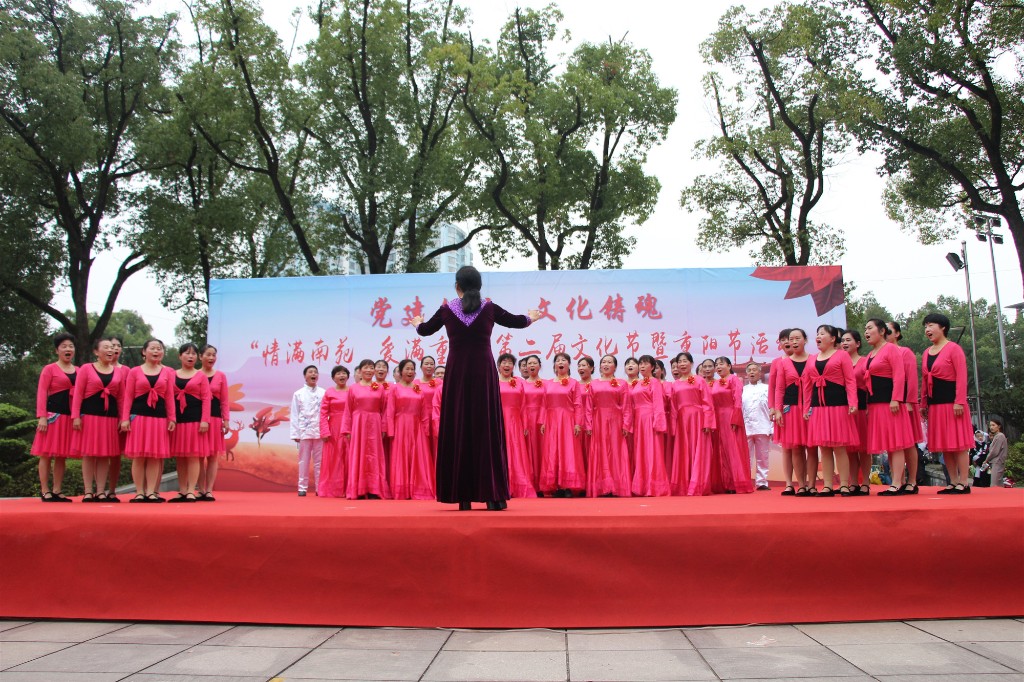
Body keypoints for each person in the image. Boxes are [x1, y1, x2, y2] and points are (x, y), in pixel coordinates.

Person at [413, 266, 540, 510]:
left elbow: (425, 330)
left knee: (459, 427)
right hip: (483, 374)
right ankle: (493, 497)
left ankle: (462, 497)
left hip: (458, 375)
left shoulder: (446, 310)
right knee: (486, 429)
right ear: (479, 286)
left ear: (457, 287)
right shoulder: (489, 308)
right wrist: (531, 317)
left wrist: (418, 323)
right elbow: (517, 321)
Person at [921, 313, 976, 494]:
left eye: (931, 325)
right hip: (935, 405)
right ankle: (952, 481)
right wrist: (923, 404)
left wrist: (959, 401)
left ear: (943, 327)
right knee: (945, 445)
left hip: (953, 404)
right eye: (926, 326)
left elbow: (961, 377)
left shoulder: (953, 349)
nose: (927, 329)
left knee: (959, 444)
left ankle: (963, 482)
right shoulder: (926, 353)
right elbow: (925, 380)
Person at [801, 326, 859, 496]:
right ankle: (827, 485)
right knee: (824, 447)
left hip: (838, 406)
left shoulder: (842, 355)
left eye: (822, 334)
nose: (818, 337)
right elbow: (807, 386)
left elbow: (850, 380)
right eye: (817, 334)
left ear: (833, 338)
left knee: (839, 447)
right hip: (818, 408)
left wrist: (853, 402)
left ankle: (844, 484)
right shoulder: (812, 359)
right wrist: (806, 407)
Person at [120, 339, 176, 503]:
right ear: (144, 352)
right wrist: (125, 419)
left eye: (159, 348)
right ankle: (139, 492)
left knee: (154, 457)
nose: (156, 351)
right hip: (138, 418)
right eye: (153, 348)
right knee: (139, 456)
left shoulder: (167, 373)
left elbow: (169, 397)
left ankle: (151, 492)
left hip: (159, 419)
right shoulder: (135, 372)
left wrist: (172, 418)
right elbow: (128, 397)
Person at [863, 319, 914, 496]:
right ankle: (897, 481)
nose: (866, 332)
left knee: (896, 443)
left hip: (890, 403)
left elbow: (899, 375)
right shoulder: (871, 354)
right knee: (889, 445)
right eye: (865, 329)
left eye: (870, 328)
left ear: (882, 331)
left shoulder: (891, 349)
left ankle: (897, 482)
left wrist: (896, 399)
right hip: (876, 403)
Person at [72, 338, 123, 501]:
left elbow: (121, 398)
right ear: (96, 351)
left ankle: (101, 491)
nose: (110, 350)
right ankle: (88, 491)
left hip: (110, 419)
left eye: (112, 347)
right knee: (88, 454)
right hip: (89, 417)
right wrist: (75, 416)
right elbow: (78, 394)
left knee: (104, 454)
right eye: (106, 347)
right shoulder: (86, 369)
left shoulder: (118, 372)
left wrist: (123, 418)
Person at [32, 333, 79, 502]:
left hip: (69, 417)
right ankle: (45, 490)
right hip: (52, 417)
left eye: (71, 346)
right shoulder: (50, 369)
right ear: (57, 350)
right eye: (64, 346)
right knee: (46, 454)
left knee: (62, 455)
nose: (68, 349)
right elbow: (42, 393)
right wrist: (42, 416)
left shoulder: (79, 371)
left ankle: (57, 490)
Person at [168, 343, 212, 502]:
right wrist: (171, 418)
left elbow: (206, 399)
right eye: (187, 353)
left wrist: (205, 420)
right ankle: (182, 490)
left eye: (193, 354)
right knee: (180, 456)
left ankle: (191, 490)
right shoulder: (172, 375)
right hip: (178, 420)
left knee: (193, 456)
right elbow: (168, 398)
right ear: (180, 356)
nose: (191, 356)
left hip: (195, 420)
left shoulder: (201, 376)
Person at [539, 352, 586, 497]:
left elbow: (578, 404)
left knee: (568, 451)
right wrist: (542, 421)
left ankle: (568, 486)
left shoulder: (574, 383)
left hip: (567, 420)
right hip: (551, 421)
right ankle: (555, 486)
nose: (560, 362)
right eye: (558, 360)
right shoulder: (548, 383)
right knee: (552, 451)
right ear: (554, 365)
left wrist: (578, 423)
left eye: (564, 360)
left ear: (569, 364)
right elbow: (544, 404)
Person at [668, 352, 715, 496]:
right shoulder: (675, 384)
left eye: (685, 361)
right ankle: (684, 484)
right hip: (682, 421)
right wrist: (673, 427)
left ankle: (698, 484)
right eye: (680, 362)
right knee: (683, 451)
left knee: (699, 451)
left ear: (691, 363)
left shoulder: (699, 380)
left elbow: (707, 402)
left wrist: (708, 422)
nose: (682, 364)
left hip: (698, 418)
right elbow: (673, 407)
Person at [342, 359, 390, 499]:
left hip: (375, 423)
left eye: (371, 368)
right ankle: (359, 490)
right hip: (358, 424)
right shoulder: (353, 388)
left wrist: (384, 427)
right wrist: (347, 429)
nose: (369, 370)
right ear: (360, 370)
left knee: (375, 455)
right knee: (359, 454)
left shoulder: (379, 388)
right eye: (366, 368)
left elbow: (384, 409)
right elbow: (348, 410)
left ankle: (374, 489)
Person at [585, 354, 631, 497]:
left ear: (615, 367)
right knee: (600, 451)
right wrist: (588, 425)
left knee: (616, 452)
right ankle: (601, 487)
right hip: (598, 420)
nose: (606, 364)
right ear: (599, 366)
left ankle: (617, 486)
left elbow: (626, 406)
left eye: (609, 362)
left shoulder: (622, 383)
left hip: (616, 421)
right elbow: (588, 406)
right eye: (603, 362)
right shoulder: (593, 384)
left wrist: (626, 424)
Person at [774, 329, 813, 496]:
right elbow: (779, 389)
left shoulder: (814, 359)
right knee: (796, 448)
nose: (794, 342)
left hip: (810, 408)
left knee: (812, 448)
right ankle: (801, 485)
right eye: (791, 339)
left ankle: (812, 484)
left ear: (805, 340)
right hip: (791, 409)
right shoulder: (784, 363)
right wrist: (777, 409)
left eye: (798, 338)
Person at [627, 355, 671, 496]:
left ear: (652, 367)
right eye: (640, 363)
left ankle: (654, 486)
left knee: (652, 452)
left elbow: (658, 403)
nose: (642, 366)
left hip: (650, 419)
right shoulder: (638, 383)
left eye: (645, 364)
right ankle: (642, 486)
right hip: (638, 420)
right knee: (641, 452)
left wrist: (658, 424)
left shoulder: (655, 382)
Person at [888, 321, 924, 489]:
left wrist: (909, 401)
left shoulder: (904, 352)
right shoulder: (879, 353)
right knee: (893, 443)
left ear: (897, 334)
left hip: (904, 403)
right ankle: (898, 480)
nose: (885, 334)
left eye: (889, 331)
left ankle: (912, 480)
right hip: (888, 404)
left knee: (908, 443)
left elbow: (911, 378)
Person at [496, 353, 537, 497]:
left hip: (515, 422)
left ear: (514, 366)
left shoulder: (519, 383)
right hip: (498, 421)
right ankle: (499, 486)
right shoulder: (493, 382)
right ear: (498, 366)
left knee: (516, 452)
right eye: (504, 362)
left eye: (510, 363)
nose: (507, 365)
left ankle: (517, 485)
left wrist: (525, 424)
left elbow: (524, 405)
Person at [712, 357, 754, 494]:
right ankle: (727, 483)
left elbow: (738, 400)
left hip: (730, 416)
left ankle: (738, 483)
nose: (718, 367)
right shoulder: (715, 382)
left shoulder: (734, 379)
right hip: (718, 418)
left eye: (721, 364)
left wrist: (736, 418)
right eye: (716, 365)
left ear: (729, 366)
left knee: (733, 449)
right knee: (722, 450)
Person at [198, 344, 229, 501]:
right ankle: (200, 489)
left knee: (212, 456)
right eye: (208, 354)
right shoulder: (195, 375)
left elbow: (224, 400)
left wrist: (226, 420)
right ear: (200, 357)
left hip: (215, 418)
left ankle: (209, 490)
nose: (211, 358)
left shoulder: (220, 376)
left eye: (213, 355)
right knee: (197, 455)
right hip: (197, 420)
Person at [842, 330, 871, 495]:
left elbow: (870, 386)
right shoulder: (839, 361)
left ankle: (866, 482)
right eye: (843, 340)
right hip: (845, 410)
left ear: (858, 343)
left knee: (863, 448)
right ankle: (853, 482)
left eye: (848, 340)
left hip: (861, 408)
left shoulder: (864, 362)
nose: (845, 343)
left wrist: (868, 407)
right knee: (849, 449)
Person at [290, 365, 326, 497]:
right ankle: (302, 487)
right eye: (310, 372)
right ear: (305, 376)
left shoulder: (323, 392)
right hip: (304, 432)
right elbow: (295, 414)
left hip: (320, 432)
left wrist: (326, 431)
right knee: (303, 461)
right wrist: (295, 433)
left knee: (319, 462)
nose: (313, 374)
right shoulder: (298, 394)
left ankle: (319, 488)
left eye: (316, 372)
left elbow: (326, 413)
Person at [767, 329, 795, 494]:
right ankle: (789, 483)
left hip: (802, 408)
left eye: (789, 339)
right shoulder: (777, 362)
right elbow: (772, 387)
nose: (786, 342)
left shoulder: (807, 359)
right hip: (783, 409)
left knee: (805, 447)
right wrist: (773, 407)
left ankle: (807, 483)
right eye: (783, 340)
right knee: (787, 447)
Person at [317, 365, 350, 498]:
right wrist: (324, 431)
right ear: (333, 378)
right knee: (334, 459)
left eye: (344, 373)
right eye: (338, 374)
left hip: (349, 428)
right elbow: (323, 413)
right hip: (334, 428)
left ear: (348, 376)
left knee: (349, 458)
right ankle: (333, 489)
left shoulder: (352, 391)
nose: (341, 376)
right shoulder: (329, 392)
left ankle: (349, 488)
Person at [742, 361, 772, 491]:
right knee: (746, 457)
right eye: (749, 370)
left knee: (763, 457)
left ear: (760, 373)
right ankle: (746, 480)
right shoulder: (742, 390)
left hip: (763, 425)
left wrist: (772, 427)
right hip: (746, 427)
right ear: (746, 374)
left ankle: (762, 482)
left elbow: (771, 408)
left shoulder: (767, 388)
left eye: (754, 370)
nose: (752, 372)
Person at [106, 335, 128, 501]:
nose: (115, 349)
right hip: (98, 415)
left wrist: (124, 417)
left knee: (115, 455)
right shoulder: (92, 368)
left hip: (119, 417)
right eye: (111, 345)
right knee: (96, 454)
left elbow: (127, 396)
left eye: (118, 346)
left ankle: (112, 490)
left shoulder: (126, 371)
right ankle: (96, 490)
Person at [521, 354, 546, 491]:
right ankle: (530, 483)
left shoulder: (546, 383)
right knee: (528, 450)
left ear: (539, 366)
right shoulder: (521, 384)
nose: (531, 365)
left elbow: (547, 404)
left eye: (534, 363)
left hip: (542, 420)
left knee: (542, 449)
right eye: (528, 363)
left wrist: (544, 420)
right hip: (526, 419)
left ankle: (543, 484)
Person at [416, 356, 442, 465]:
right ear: (421, 366)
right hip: (421, 418)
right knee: (423, 446)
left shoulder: (440, 382)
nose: (429, 366)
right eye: (426, 364)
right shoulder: (415, 383)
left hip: (437, 417)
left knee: (436, 445)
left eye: (431, 364)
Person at [981, 417, 1008, 488]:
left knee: (994, 483)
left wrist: (986, 459)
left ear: (999, 426)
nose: (991, 427)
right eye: (990, 425)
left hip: (997, 461)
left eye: (993, 425)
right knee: (998, 482)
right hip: (996, 461)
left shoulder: (999, 436)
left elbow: (994, 451)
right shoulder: (997, 436)